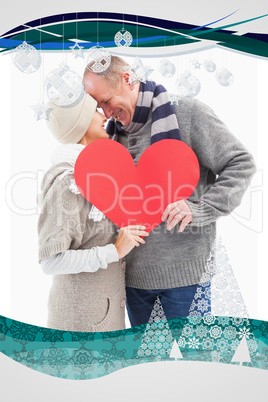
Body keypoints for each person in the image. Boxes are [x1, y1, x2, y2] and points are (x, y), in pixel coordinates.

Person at [83, 55, 256, 327]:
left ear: (127, 79)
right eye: (97, 106)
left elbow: (240, 163)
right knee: (149, 367)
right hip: (133, 282)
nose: (105, 113)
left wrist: (199, 208)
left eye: (106, 101)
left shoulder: (186, 112)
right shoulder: (111, 137)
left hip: (186, 279)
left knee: (190, 365)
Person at [37, 92, 149, 332]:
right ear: (79, 124)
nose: (103, 116)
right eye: (94, 111)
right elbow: (51, 260)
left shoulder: (97, 176)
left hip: (102, 321)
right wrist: (115, 251)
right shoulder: (69, 183)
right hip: (79, 326)